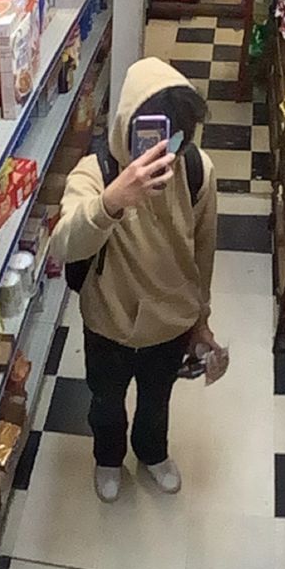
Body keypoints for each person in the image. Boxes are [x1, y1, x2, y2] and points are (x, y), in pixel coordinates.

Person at [51, 57, 218, 503]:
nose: (166, 151)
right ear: (128, 127)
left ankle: (151, 453)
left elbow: (204, 250)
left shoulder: (198, 171)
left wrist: (201, 320)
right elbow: (63, 245)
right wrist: (111, 201)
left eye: (177, 138)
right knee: (105, 404)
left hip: (170, 323)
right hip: (110, 321)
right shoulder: (95, 172)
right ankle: (108, 458)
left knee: (156, 401)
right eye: (153, 135)